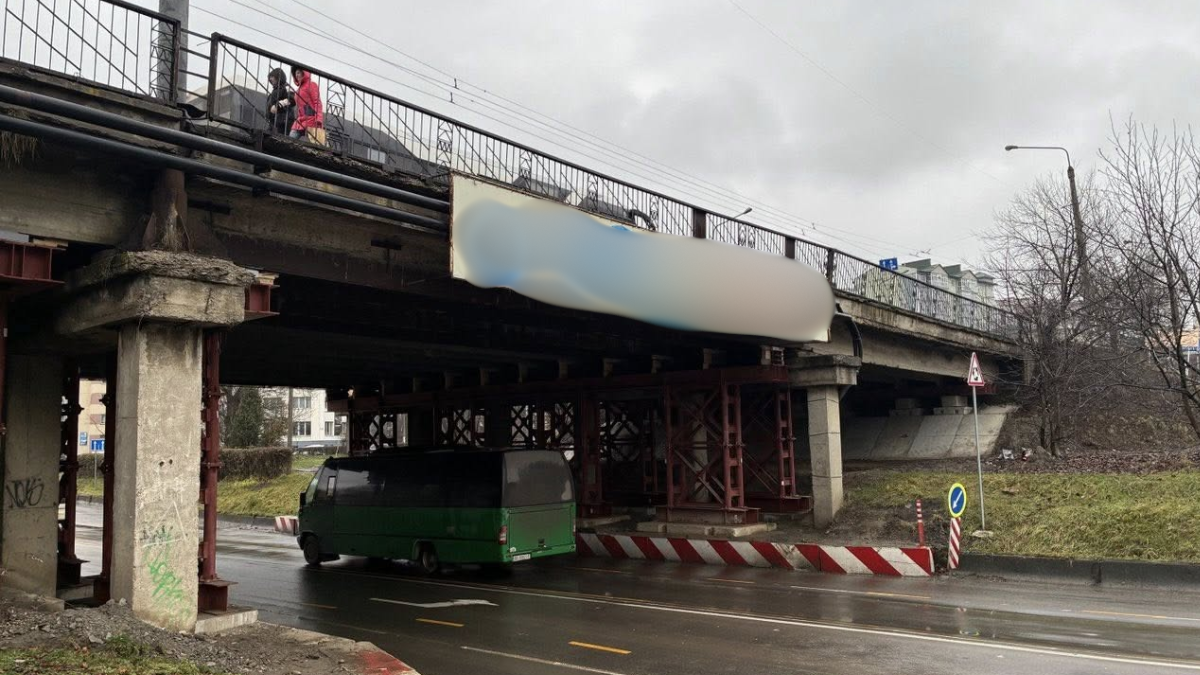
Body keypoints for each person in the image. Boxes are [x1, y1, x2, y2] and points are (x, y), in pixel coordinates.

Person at [289, 65, 325, 146]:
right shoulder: (298, 90)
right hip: (301, 119)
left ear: (303, 73)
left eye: (298, 73)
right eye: (295, 73)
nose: (296, 75)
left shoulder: (312, 85)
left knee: (316, 145)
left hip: (311, 119)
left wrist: (319, 119)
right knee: (291, 139)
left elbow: (317, 102)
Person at [265, 67, 295, 136]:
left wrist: (278, 106)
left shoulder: (286, 87)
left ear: (278, 77)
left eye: (272, 77)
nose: (270, 79)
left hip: (283, 122)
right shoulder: (274, 91)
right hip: (274, 122)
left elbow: (292, 99)